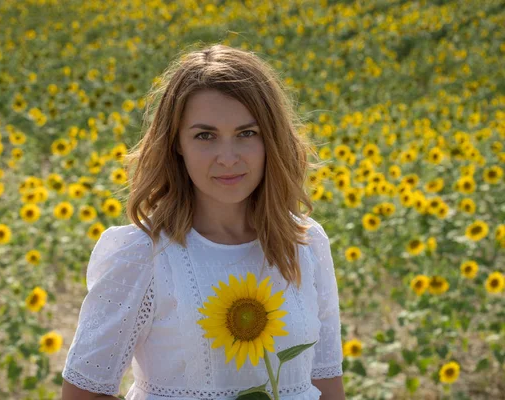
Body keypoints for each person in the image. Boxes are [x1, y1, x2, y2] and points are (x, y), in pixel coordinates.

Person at [61, 44, 345, 400]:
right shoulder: (142, 255)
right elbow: (84, 392)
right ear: (177, 143)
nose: (228, 158)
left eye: (247, 133)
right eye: (205, 136)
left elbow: (325, 380)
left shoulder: (305, 242)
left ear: (271, 139)